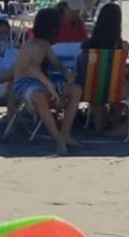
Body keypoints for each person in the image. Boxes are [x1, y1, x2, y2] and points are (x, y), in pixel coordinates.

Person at [13, 8, 83, 154]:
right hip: (24, 83)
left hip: (39, 82)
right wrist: (49, 86)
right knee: (40, 95)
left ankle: (65, 133)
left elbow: (55, 62)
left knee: (75, 90)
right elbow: (31, 67)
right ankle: (57, 138)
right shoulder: (31, 45)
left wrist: (66, 73)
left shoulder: (44, 44)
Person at [81, 2, 129, 131]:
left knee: (95, 83)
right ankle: (116, 122)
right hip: (117, 89)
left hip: (93, 88)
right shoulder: (123, 46)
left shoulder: (89, 46)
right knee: (121, 82)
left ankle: (98, 124)